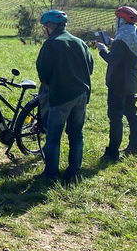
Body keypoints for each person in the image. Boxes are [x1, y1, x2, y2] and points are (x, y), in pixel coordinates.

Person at [35, 10, 94, 183]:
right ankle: (72, 173)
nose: (44, 31)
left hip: (61, 96)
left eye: (44, 27)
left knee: (53, 137)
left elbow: (43, 72)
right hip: (81, 94)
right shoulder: (80, 42)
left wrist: (51, 84)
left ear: (48, 27)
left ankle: (51, 175)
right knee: (77, 135)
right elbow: (89, 67)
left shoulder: (51, 44)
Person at [96, 6, 137, 161]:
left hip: (118, 82)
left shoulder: (122, 37)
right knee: (132, 113)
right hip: (132, 79)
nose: (116, 21)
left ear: (121, 20)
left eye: (117, 19)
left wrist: (102, 49)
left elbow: (112, 59)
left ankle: (112, 153)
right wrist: (113, 43)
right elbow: (128, 52)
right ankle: (135, 146)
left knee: (115, 116)